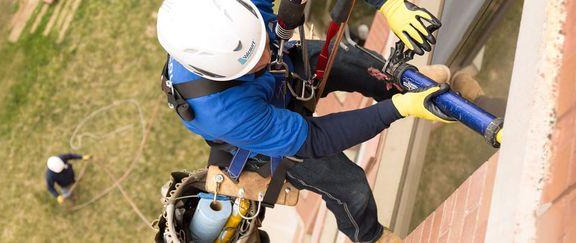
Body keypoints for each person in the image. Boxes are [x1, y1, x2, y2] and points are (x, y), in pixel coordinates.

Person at [156, 0, 446, 242]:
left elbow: (269, 52)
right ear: (219, 73)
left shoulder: (231, 12)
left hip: (284, 72)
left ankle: (412, 92)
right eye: (253, 60)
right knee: (349, 184)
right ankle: (371, 236)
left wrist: (390, 5)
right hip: (262, 134)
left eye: (262, 43)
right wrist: (398, 109)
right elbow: (315, 138)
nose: (266, 54)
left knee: (355, 64)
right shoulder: (220, 111)